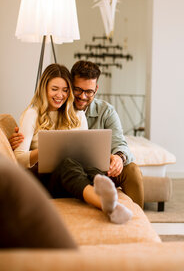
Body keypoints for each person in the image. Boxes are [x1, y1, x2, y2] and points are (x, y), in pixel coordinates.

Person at [10, 60, 144, 208]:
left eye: (65, 90)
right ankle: (102, 200)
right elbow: (19, 159)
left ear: (96, 89)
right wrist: (48, 150)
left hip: (78, 172)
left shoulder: (78, 114)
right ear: (44, 88)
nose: (82, 96)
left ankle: (129, 212)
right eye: (77, 90)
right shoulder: (33, 114)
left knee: (84, 164)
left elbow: (98, 151)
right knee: (67, 162)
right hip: (47, 176)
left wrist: (117, 157)